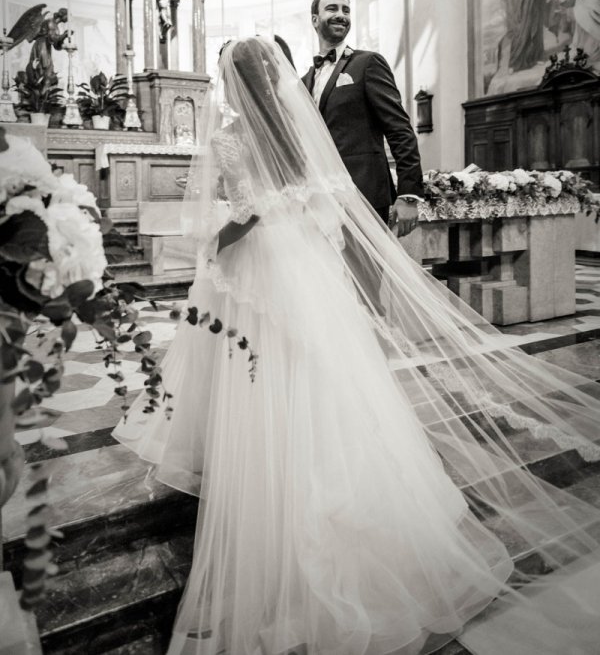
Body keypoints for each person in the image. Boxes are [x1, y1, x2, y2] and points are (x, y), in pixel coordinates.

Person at [114, 36, 600, 655]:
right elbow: (315, 204)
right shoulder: (299, 129)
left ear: (235, 83)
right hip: (303, 266)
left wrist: (216, 243)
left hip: (262, 265)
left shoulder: (229, 138)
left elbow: (247, 211)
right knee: (322, 375)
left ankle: (257, 473)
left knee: (259, 368)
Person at [303, 0, 422, 234]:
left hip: (365, 195)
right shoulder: (305, 81)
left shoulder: (367, 63)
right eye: (332, 8)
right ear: (315, 20)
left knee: (366, 273)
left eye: (346, 10)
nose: (341, 15)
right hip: (320, 200)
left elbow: (399, 129)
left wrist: (409, 194)